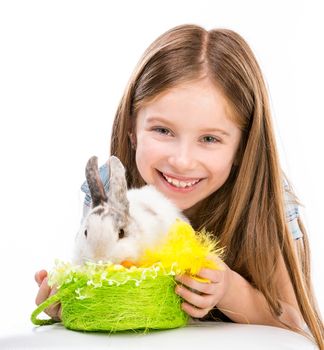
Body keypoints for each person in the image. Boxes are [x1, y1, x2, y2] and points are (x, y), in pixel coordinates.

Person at [34, 24, 324, 348]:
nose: (183, 161)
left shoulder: (266, 197)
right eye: (163, 131)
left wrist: (229, 291)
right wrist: (71, 300)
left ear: (243, 147)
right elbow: (97, 270)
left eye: (210, 139)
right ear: (133, 129)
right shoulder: (109, 188)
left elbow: (299, 324)